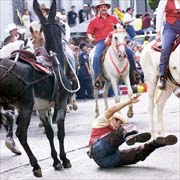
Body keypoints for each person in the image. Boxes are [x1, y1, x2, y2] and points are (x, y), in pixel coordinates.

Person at [88, 93, 178, 168]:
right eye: (119, 123)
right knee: (125, 128)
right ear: (114, 119)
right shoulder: (101, 121)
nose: (119, 125)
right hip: (98, 148)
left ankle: (155, 144)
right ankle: (131, 136)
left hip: (106, 162)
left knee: (136, 155)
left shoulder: (114, 134)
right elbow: (112, 110)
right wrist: (129, 101)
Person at [87, 0, 137, 90]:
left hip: (115, 40)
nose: (103, 8)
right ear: (98, 8)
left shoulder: (114, 18)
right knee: (96, 57)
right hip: (101, 41)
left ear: (107, 8)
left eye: (105, 6)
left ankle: (134, 74)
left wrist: (126, 39)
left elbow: (120, 29)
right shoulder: (93, 21)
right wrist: (90, 38)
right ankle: (97, 78)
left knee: (130, 52)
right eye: (101, 7)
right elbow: (89, 33)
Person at [156, 0, 180, 89]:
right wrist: (158, 32)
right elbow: (159, 15)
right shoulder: (164, 1)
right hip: (171, 27)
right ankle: (162, 76)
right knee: (165, 48)